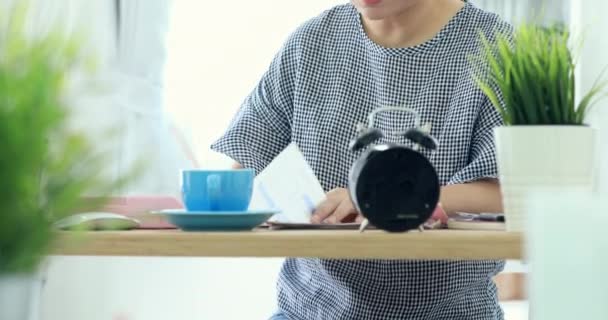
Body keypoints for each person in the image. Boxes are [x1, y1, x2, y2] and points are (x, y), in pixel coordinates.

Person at [211, 0, 510, 318]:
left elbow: (505, 193)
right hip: (310, 311)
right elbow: (247, 164)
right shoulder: (312, 42)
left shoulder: (495, 49)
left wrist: (382, 201)